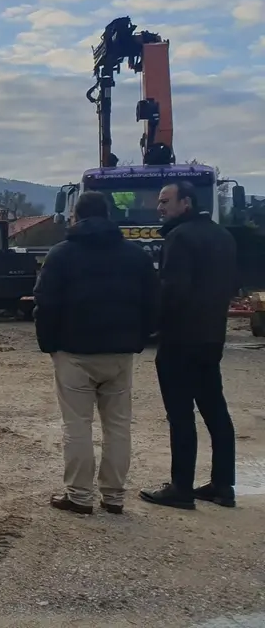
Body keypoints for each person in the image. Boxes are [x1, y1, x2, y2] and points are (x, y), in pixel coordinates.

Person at [33, 191, 157, 515]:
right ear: (108, 216)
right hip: (120, 353)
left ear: (75, 217)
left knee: (77, 424)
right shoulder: (136, 255)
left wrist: (49, 344)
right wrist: (138, 339)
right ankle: (114, 496)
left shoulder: (60, 255)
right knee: (118, 425)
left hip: (74, 352)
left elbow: (45, 303)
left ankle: (79, 496)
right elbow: (152, 302)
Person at [140, 181, 239, 510]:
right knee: (216, 411)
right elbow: (230, 285)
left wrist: (151, 327)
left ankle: (181, 487)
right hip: (212, 337)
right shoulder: (222, 236)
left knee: (181, 415)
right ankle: (223, 485)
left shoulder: (178, 237)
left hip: (180, 339)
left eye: (166, 201)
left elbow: (173, 291)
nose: (160, 207)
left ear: (186, 202)